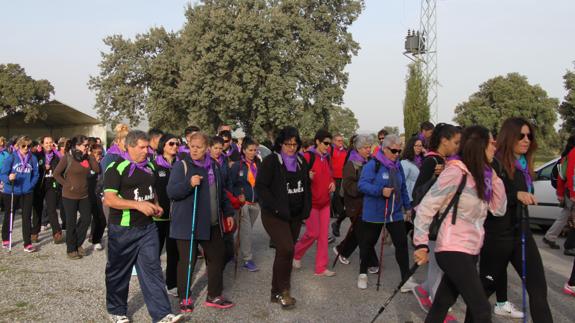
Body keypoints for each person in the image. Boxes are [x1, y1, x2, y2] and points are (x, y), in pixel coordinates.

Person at [413, 125, 507, 323]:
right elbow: (426, 207)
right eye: (491, 143)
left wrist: (495, 176)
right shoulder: (456, 172)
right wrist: (420, 244)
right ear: (478, 146)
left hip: (471, 249)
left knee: (442, 303)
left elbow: (498, 209)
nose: (495, 147)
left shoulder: (484, 175)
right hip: (452, 247)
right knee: (481, 309)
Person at [478, 117, 552, 322]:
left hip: (522, 234)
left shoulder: (524, 166)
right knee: (483, 293)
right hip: (497, 237)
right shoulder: (494, 163)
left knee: (538, 290)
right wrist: (515, 196)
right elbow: (484, 199)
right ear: (509, 137)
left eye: (529, 135)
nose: (526, 139)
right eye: (521, 135)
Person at [103, 130, 182, 323]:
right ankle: (116, 310)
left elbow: (150, 189)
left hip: (147, 228)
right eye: (142, 147)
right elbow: (110, 200)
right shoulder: (116, 167)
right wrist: (138, 205)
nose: (147, 151)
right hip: (123, 229)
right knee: (119, 271)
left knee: (152, 269)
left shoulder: (149, 166)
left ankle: (162, 314)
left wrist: (155, 205)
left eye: (148, 147)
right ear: (129, 146)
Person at [167, 132, 236, 312]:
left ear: (206, 148)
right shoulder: (181, 165)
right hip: (187, 224)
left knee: (217, 256)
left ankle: (214, 295)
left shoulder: (213, 165)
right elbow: (172, 192)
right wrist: (189, 184)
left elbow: (221, 193)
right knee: (187, 261)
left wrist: (228, 212)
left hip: (211, 223)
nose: (194, 150)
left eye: (199, 147)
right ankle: (185, 298)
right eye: (192, 146)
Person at [256, 126, 311, 309]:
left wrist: (306, 209)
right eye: (288, 144)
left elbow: (306, 187)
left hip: (294, 216)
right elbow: (261, 188)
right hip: (274, 215)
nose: (291, 147)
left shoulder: (301, 161)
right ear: (280, 143)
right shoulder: (271, 161)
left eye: (295, 144)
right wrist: (276, 207)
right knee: (287, 248)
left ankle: (275, 292)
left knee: (284, 252)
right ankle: (284, 290)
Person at [411, 123, 462, 317]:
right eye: (456, 142)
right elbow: (419, 191)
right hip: (431, 219)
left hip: (441, 220)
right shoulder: (432, 161)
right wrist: (435, 178)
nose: (458, 146)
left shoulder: (446, 161)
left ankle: (426, 290)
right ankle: (437, 306)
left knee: (438, 264)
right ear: (444, 140)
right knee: (438, 264)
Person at [358, 134, 416, 290]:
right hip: (375, 212)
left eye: (399, 151)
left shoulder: (398, 166)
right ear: (384, 149)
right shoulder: (373, 165)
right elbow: (362, 185)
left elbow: (403, 187)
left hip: (394, 213)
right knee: (368, 243)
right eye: (394, 151)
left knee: (401, 243)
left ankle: (405, 279)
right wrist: (380, 190)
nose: (397, 154)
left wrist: (408, 206)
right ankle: (362, 273)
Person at [294, 129, 336, 277]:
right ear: (317, 142)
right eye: (325, 143)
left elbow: (330, 174)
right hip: (311, 203)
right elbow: (296, 177)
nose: (327, 146)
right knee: (313, 233)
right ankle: (296, 254)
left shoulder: (328, 157)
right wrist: (306, 176)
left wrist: (332, 183)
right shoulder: (307, 156)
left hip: (325, 202)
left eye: (329, 144)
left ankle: (321, 268)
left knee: (324, 236)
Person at [332, 135, 378, 272]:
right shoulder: (351, 164)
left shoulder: (370, 162)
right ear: (358, 149)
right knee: (364, 234)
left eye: (369, 147)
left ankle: (342, 250)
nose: (368, 150)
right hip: (354, 204)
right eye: (365, 147)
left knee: (358, 232)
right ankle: (372, 263)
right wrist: (365, 186)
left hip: (367, 204)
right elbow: (348, 186)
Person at [54, 135, 100, 259]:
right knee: (71, 223)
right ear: (76, 146)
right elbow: (56, 174)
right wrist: (67, 185)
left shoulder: (87, 157)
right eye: (85, 145)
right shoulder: (67, 158)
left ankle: (77, 244)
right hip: (69, 195)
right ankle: (71, 249)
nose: (87, 147)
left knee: (86, 219)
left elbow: (97, 169)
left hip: (84, 195)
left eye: (88, 145)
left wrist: (90, 155)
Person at [0, 136, 39, 252]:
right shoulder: (11, 158)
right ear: (18, 146)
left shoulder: (33, 158)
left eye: (28, 146)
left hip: (27, 191)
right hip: (12, 190)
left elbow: (36, 174)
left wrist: (30, 185)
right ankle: (6, 238)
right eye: (24, 146)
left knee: (26, 217)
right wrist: (8, 178)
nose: (26, 148)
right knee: (9, 215)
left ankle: (27, 243)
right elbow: (2, 174)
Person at [152, 133, 180, 296]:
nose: (175, 146)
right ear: (163, 146)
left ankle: (172, 283)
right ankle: (154, 282)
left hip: (176, 216)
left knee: (173, 252)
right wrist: (154, 204)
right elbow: (151, 188)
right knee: (154, 252)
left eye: (177, 144)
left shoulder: (181, 164)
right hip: (157, 216)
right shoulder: (153, 165)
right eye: (171, 143)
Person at [230, 137, 261, 272]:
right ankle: (247, 259)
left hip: (256, 204)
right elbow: (230, 184)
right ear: (243, 150)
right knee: (246, 232)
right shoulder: (238, 165)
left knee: (243, 232)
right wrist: (237, 196)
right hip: (243, 204)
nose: (253, 153)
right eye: (250, 150)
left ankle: (232, 251)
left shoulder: (258, 164)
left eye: (255, 150)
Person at [31, 136, 64, 244]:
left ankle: (56, 232)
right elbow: (32, 169)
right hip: (39, 186)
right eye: (46, 143)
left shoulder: (56, 156)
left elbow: (60, 171)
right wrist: (42, 168)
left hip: (51, 185)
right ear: (42, 144)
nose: (49, 144)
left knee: (51, 209)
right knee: (37, 209)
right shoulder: (37, 156)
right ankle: (35, 232)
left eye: (50, 142)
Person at [546, 134, 575, 249]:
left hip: (568, 191)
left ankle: (550, 236)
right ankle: (569, 246)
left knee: (564, 216)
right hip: (571, 192)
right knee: (569, 218)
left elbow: (560, 178)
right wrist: (571, 193)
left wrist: (560, 192)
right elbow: (571, 175)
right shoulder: (572, 155)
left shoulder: (564, 157)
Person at [88, 143, 106, 250]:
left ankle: (96, 239)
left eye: (100, 153)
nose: (98, 155)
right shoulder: (87, 162)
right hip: (88, 194)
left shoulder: (103, 162)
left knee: (101, 218)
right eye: (96, 153)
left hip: (99, 193)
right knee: (85, 218)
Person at [330, 134, 348, 232]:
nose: (340, 142)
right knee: (336, 195)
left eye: (341, 140)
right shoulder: (331, 150)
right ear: (334, 141)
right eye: (338, 140)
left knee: (341, 195)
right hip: (333, 176)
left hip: (343, 176)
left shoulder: (345, 151)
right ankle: (340, 212)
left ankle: (339, 212)